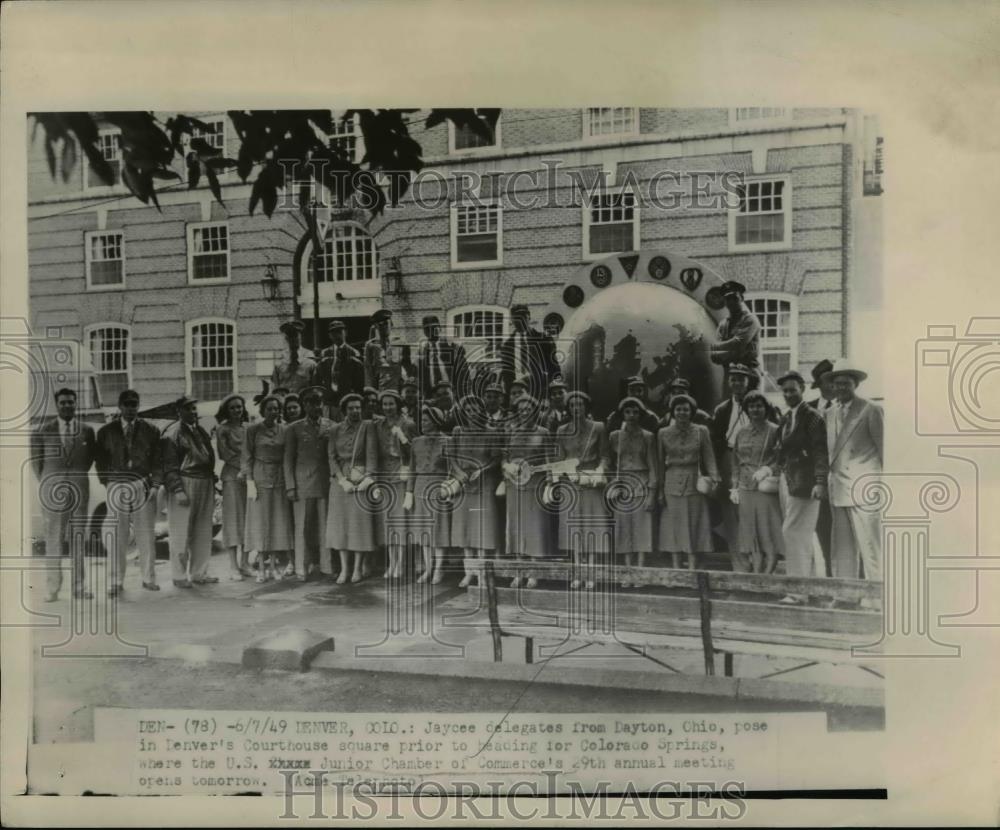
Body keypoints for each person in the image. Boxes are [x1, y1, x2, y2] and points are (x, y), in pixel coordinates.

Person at [768, 371, 829, 604]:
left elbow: (821, 451)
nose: (788, 394)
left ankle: (797, 591)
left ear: (802, 389)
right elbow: (780, 452)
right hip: (788, 481)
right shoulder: (785, 418)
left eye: (793, 389)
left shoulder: (813, 417)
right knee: (802, 536)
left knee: (792, 533)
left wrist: (820, 481)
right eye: (784, 390)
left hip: (806, 484)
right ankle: (812, 587)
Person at [823, 359, 884, 586]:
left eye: (846, 383)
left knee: (870, 544)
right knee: (842, 546)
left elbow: (885, 450)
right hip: (838, 487)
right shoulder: (829, 413)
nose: (841, 388)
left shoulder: (871, 410)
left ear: (855, 384)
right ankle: (845, 593)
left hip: (865, 487)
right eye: (837, 384)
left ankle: (877, 596)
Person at [32, 387, 97, 601]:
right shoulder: (42, 431)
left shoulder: (87, 430)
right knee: (54, 538)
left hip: (79, 488)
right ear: (57, 404)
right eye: (63, 402)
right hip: (52, 490)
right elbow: (37, 464)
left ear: (76, 404)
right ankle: (52, 588)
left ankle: (79, 587)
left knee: (79, 537)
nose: (67, 406)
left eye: (71, 402)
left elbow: (87, 461)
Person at [95, 389, 162, 594]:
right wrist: (107, 482)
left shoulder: (151, 430)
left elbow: (157, 461)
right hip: (117, 484)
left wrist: (155, 484)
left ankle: (148, 578)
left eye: (134, 404)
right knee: (117, 534)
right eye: (127, 404)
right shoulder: (106, 431)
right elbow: (100, 460)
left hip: (141, 483)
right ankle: (116, 581)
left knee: (146, 533)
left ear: (138, 406)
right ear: (120, 406)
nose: (131, 408)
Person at [549, 391, 611, 589]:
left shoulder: (598, 427)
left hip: (591, 482)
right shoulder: (561, 430)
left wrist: (600, 470)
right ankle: (577, 572)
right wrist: (565, 475)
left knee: (591, 527)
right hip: (570, 482)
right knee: (574, 528)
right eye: (573, 405)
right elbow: (558, 460)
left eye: (580, 405)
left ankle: (591, 572)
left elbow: (605, 456)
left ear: (586, 407)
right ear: (568, 408)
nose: (577, 409)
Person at [657, 393, 719, 571]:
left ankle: (692, 569)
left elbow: (709, 458)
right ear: (673, 412)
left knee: (694, 524)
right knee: (673, 527)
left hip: (695, 483)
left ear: (692, 412)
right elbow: (660, 463)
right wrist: (660, 491)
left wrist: (714, 480)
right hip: (671, 483)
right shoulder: (663, 433)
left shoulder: (701, 431)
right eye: (678, 409)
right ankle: (677, 569)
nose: (682, 412)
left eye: (686, 409)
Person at [161, 395, 217, 588]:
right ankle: (178, 575)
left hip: (204, 482)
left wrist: (213, 480)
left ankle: (199, 573)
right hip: (185, 481)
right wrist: (177, 489)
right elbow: (169, 465)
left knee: (202, 531)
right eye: (188, 409)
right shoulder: (173, 433)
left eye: (194, 408)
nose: (193, 412)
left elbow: (207, 457)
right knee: (180, 531)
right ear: (179, 411)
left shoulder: (200, 431)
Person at [502, 396, 557, 588]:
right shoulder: (511, 432)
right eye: (522, 409)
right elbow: (504, 458)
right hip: (514, 486)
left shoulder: (544, 433)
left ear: (535, 412)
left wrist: (550, 485)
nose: (525, 412)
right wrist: (507, 466)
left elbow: (550, 462)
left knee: (536, 530)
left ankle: (534, 573)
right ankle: (519, 572)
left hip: (536, 485)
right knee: (517, 529)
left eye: (529, 409)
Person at [450, 395, 503, 586]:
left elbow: (497, 459)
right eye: (468, 410)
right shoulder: (458, 431)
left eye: (475, 410)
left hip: (484, 485)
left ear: (481, 411)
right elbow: (452, 457)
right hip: (464, 485)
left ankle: (482, 573)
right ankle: (469, 572)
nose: (472, 414)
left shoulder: (491, 432)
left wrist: (482, 469)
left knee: (482, 529)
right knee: (464, 530)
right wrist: (458, 473)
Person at [730, 390, 784, 574]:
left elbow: (781, 459)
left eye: (759, 406)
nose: (755, 409)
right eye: (751, 406)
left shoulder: (775, 430)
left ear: (766, 408)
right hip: (745, 488)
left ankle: (768, 571)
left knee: (767, 528)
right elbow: (735, 461)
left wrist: (767, 469)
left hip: (764, 487)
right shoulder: (741, 432)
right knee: (750, 529)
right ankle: (757, 569)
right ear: (746, 409)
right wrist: (734, 486)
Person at [325, 393, 376, 584]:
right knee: (341, 526)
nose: (355, 411)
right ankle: (344, 568)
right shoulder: (335, 429)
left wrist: (367, 478)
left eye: (358, 407)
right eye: (351, 408)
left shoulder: (367, 427)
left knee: (358, 526)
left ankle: (357, 568)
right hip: (341, 482)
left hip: (360, 478)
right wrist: (340, 479)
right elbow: (331, 457)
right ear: (344, 410)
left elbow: (371, 454)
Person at [243, 395, 294, 583]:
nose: (274, 412)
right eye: (270, 409)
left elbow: (288, 457)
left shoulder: (285, 430)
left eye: (276, 409)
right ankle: (262, 568)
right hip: (260, 478)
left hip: (279, 478)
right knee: (261, 523)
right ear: (263, 411)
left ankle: (274, 566)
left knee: (277, 523)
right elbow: (246, 456)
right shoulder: (253, 430)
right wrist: (249, 482)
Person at [284, 386, 333, 581]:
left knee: (324, 526)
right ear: (305, 405)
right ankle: (301, 567)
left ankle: (327, 565)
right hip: (302, 483)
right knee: (302, 526)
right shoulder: (294, 428)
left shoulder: (331, 425)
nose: (316, 407)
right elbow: (288, 459)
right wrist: (290, 486)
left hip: (325, 483)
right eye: (312, 403)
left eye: (319, 402)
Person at [610, 396, 658, 583]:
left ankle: (640, 571)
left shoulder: (648, 436)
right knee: (623, 528)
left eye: (635, 412)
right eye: (628, 412)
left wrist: (652, 493)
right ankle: (626, 571)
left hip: (641, 484)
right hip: (622, 484)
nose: (631, 416)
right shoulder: (615, 436)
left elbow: (653, 466)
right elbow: (611, 464)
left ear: (641, 415)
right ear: (622, 414)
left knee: (641, 528)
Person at [709, 363, 756, 552]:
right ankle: (737, 557)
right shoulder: (722, 409)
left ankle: (754, 554)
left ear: (748, 382)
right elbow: (715, 440)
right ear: (729, 382)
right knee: (729, 506)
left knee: (750, 505)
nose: (737, 383)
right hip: (729, 458)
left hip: (752, 460)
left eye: (741, 379)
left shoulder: (757, 404)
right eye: (733, 379)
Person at [372, 389, 417, 579]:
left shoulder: (408, 424)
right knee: (388, 523)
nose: (388, 408)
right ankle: (391, 563)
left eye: (391, 404)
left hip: (401, 473)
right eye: (385, 404)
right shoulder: (378, 425)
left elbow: (415, 450)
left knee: (400, 522)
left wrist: (402, 438)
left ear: (398, 405)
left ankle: (401, 564)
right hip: (384, 475)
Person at [407, 405, 453, 584]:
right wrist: (409, 492)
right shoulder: (416, 442)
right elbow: (412, 469)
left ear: (435, 421)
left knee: (438, 531)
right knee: (423, 532)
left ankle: (439, 569)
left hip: (438, 488)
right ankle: (428, 569)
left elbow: (452, 468)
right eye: (422, 420)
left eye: (426, 420)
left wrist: (447, 488)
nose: (422, 423)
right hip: (420, 488)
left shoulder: (447, 441)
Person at [214, 394, 250, 581]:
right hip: (232, 477)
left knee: (247, 519)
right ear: (226, 411)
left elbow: (253, 451)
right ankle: (233, 565)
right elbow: (224, 453)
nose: (237, 410)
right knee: (233, 520)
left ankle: (245, 562)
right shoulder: (223, 429)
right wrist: (243, 468)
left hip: (248, 478)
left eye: (239, 407)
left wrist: (248, 471)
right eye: (233, 407)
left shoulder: (248, 428)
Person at [808, 358, 836, 575]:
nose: (832, 385)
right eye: (827, 381)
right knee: (822, 531)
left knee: (847, 535)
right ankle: (828, 576)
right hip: (816, 481)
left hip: (841, 480)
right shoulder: (808, 409)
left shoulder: (847, 408)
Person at [500, 304, 560, 402]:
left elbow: (555, 368)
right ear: (512, 320)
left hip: (540, 390)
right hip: (517, 392)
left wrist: (553, 390)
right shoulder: (507, 345)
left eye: (523, 316)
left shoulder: (544, 339)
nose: (520, 320)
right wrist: (508, 395)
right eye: (516, 317)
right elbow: (507, 375)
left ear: (529, 317)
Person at [709, 281, 761, 379]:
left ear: (741, 298)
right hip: (730, 375)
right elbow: (714, 356)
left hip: (749, 373)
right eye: (728, 299)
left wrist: (716, 347)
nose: (731, 302)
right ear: (724, 302)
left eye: (735, 298)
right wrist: (735, 352)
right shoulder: (723, 324)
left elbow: (739, 343)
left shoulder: (750, 320)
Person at [313, 319, 363, 420]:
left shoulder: (354, 353)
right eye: (333, 333)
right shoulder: (325, 354)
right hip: (329, 403)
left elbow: (359, 382)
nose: (337, 336)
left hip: (347, 403)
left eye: (339, 332)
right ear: (330, 336)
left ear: (346, 333)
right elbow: (318, 379)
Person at [417, 314, 469, 402]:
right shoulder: (422, 352)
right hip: (432, 396)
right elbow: (421, 378)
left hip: (452, 394)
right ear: (424, 332)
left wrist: (461, 396)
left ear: (440, 329)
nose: (431, 331)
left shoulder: (452, 347)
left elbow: (464, 374)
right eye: (427, 329)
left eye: (434, 328)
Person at [364, 309, 406, 393]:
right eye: (380, 325)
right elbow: (368, 370)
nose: (384, 327)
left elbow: (406, 366)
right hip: (379, 390)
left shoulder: (400, 342)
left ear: (392, 324)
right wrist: (370, 391)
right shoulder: (370, 345)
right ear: (376, 326)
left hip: (397, 389)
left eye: (386, 323)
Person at [270, 320, 316, 395]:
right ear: (286, 339)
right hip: (285, 403)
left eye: (295, 336)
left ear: (300, 336)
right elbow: (275, 388)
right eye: (290, 336)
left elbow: (315, 388)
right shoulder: (279, 362)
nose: (293, 339)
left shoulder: (310, 359)